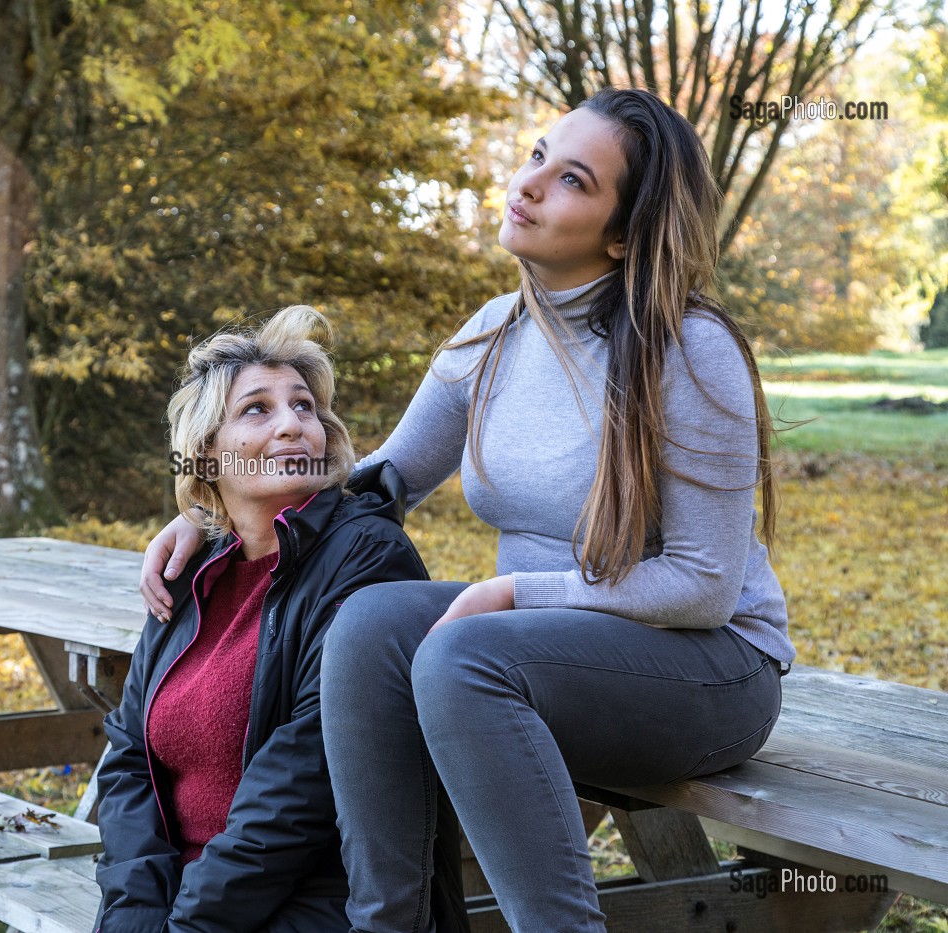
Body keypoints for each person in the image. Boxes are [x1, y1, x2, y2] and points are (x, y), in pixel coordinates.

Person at [136, 87, 796, 933]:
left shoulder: (689, 349)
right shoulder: (492, 336)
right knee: (368, 624)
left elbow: (703, 587)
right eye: (537, 155)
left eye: (572, 180)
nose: (529, 183)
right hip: (541, 656)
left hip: (710, 669)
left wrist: (518, 593)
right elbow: (377, 481)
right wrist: (214, 507)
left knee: (461, 654)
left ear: (623, 233)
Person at [94, 306, 465, 933]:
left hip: (322, 899)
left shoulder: (367, 557)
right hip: (185, 901)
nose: (292, 424)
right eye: (257, 409)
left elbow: (303, 787)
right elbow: (130, 756)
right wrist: (136, 916)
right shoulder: (192, 569)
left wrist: (187, 925)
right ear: (207, 453)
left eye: (304, 407)